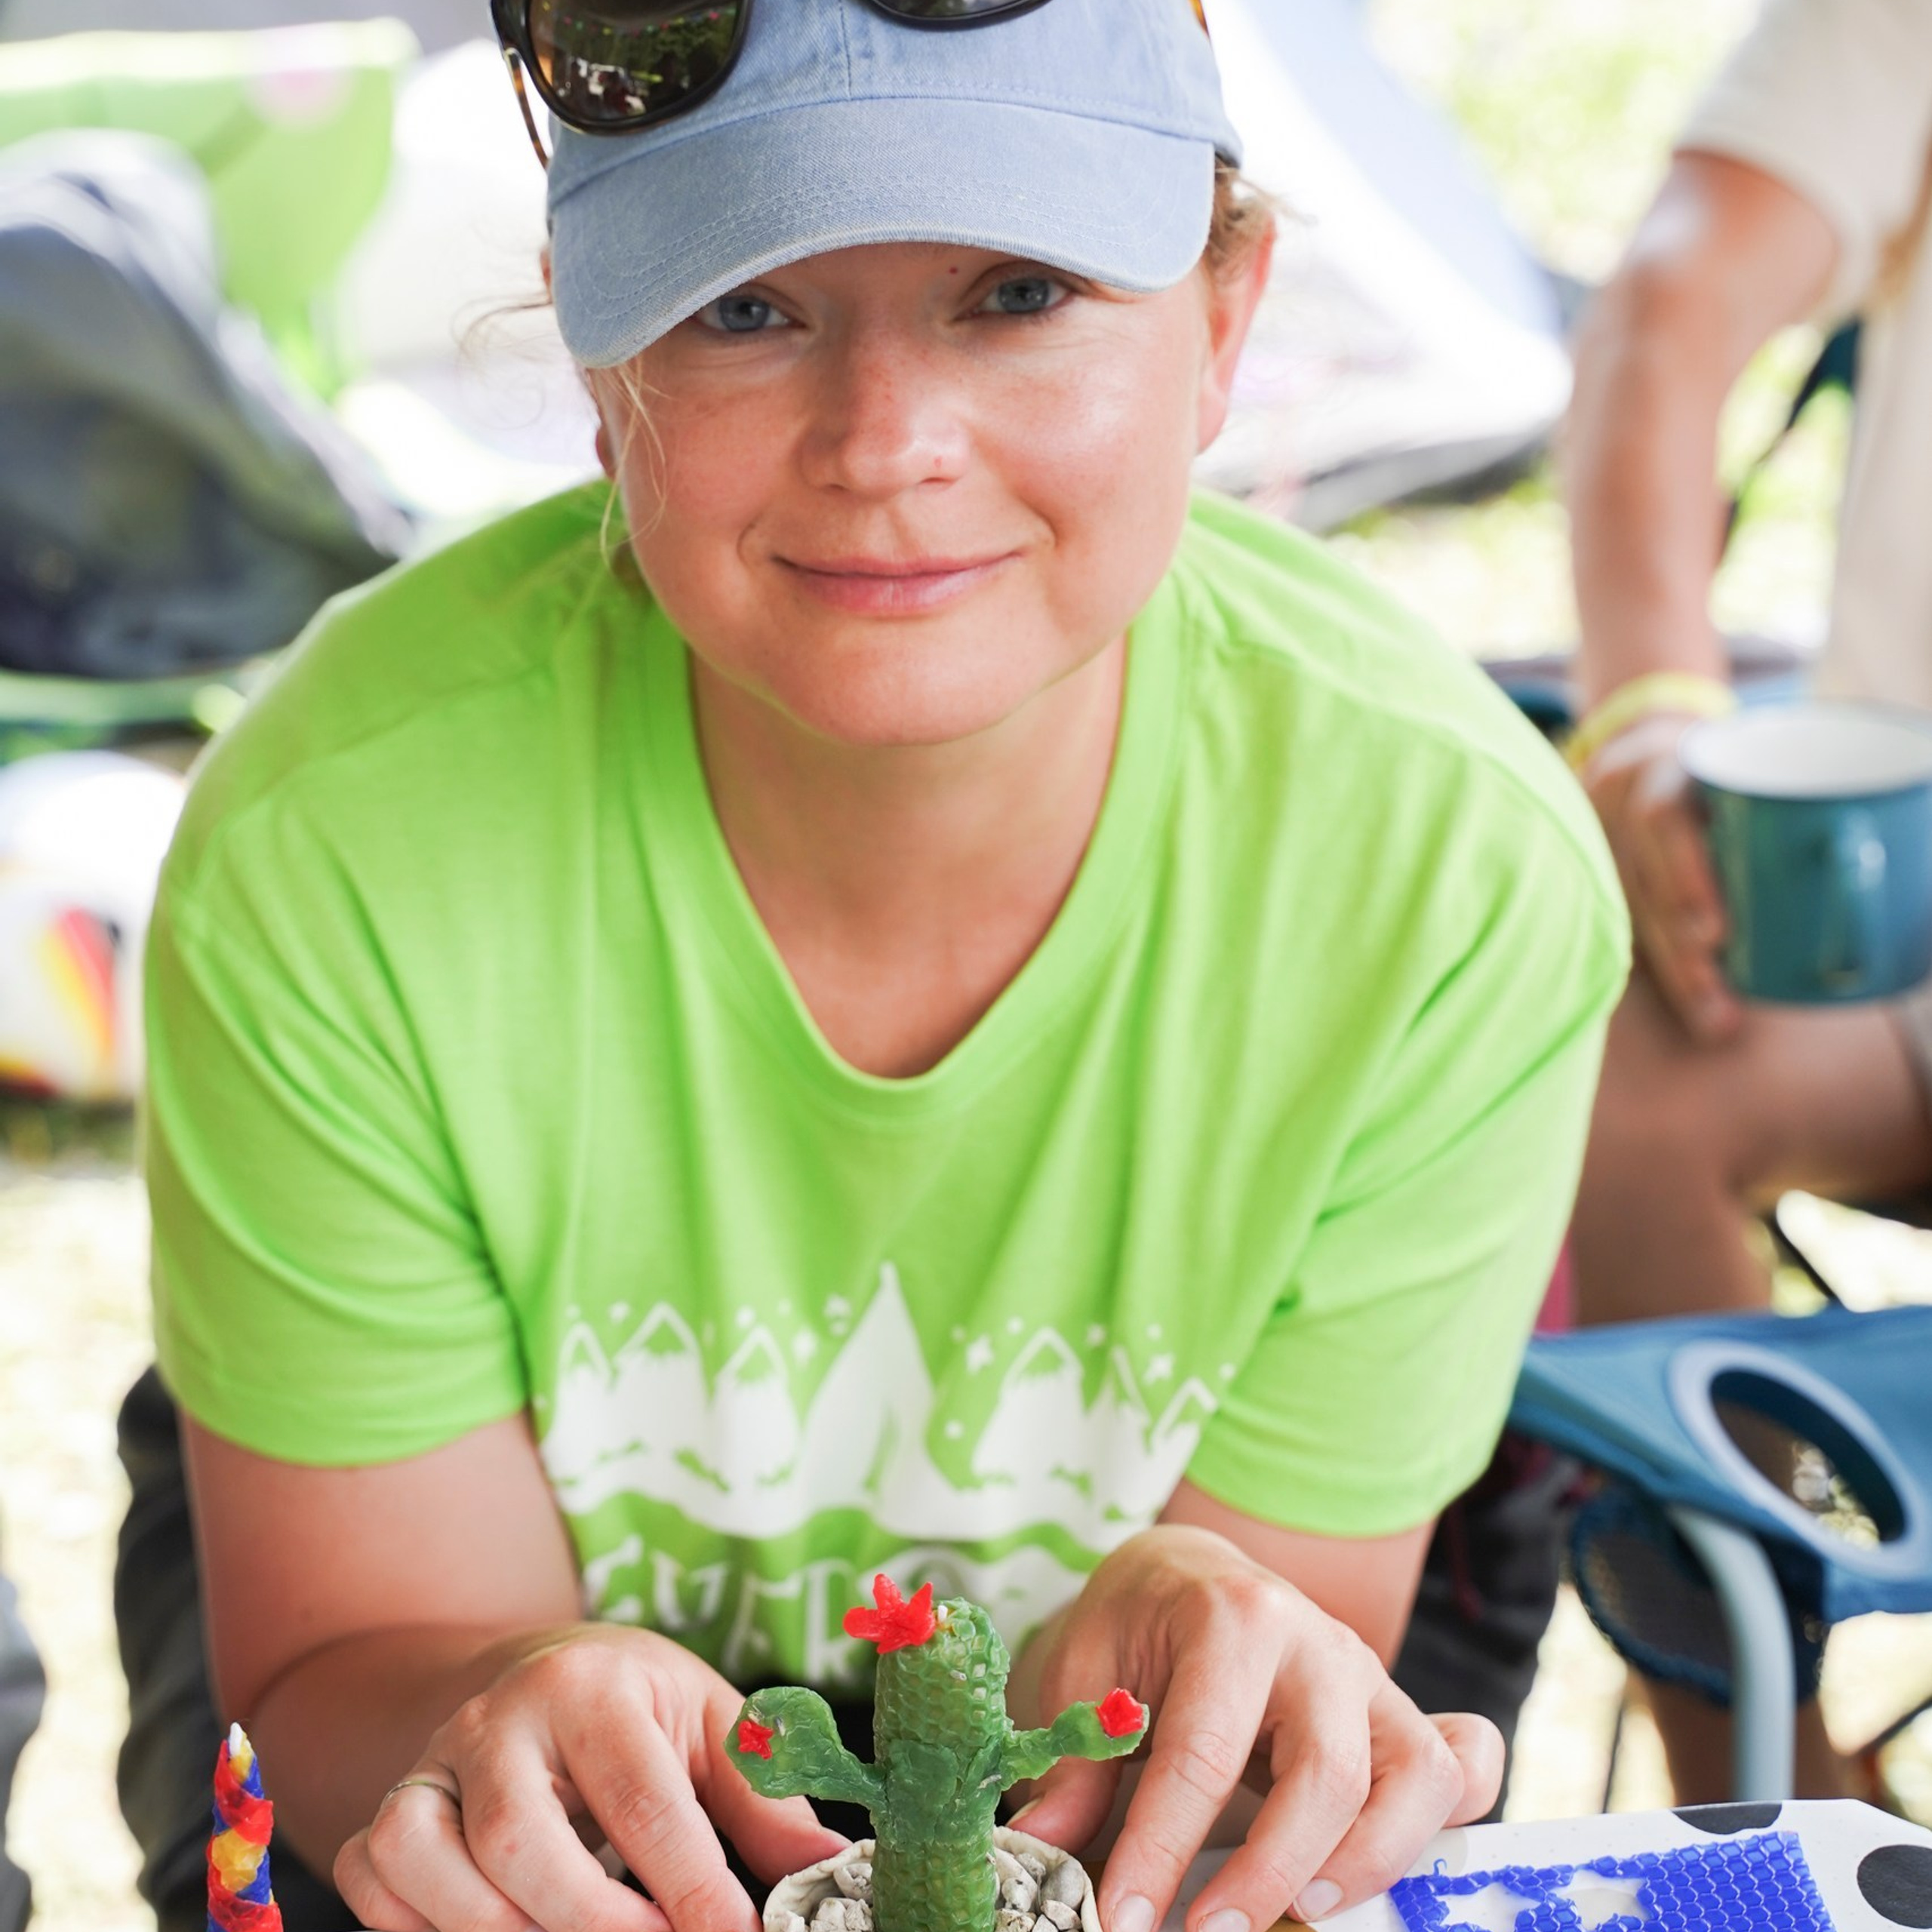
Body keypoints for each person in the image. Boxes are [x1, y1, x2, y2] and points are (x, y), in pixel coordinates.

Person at [140, 2, 1628, 1928]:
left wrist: (1210, 1620)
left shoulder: (1445, 876)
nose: (884, 444)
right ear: (596, 361)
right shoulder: (333, 843)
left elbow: (1217, 1772)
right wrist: (492, 1699)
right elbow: (345, 1665)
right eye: (744, 306)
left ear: (1224, 320)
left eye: (1018, 293)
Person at [1562, 0, 1932, 1799]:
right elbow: (1671, 304)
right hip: (1901, 928)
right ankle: (1775, 1821)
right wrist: (1646, 698)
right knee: (1616, 1063)